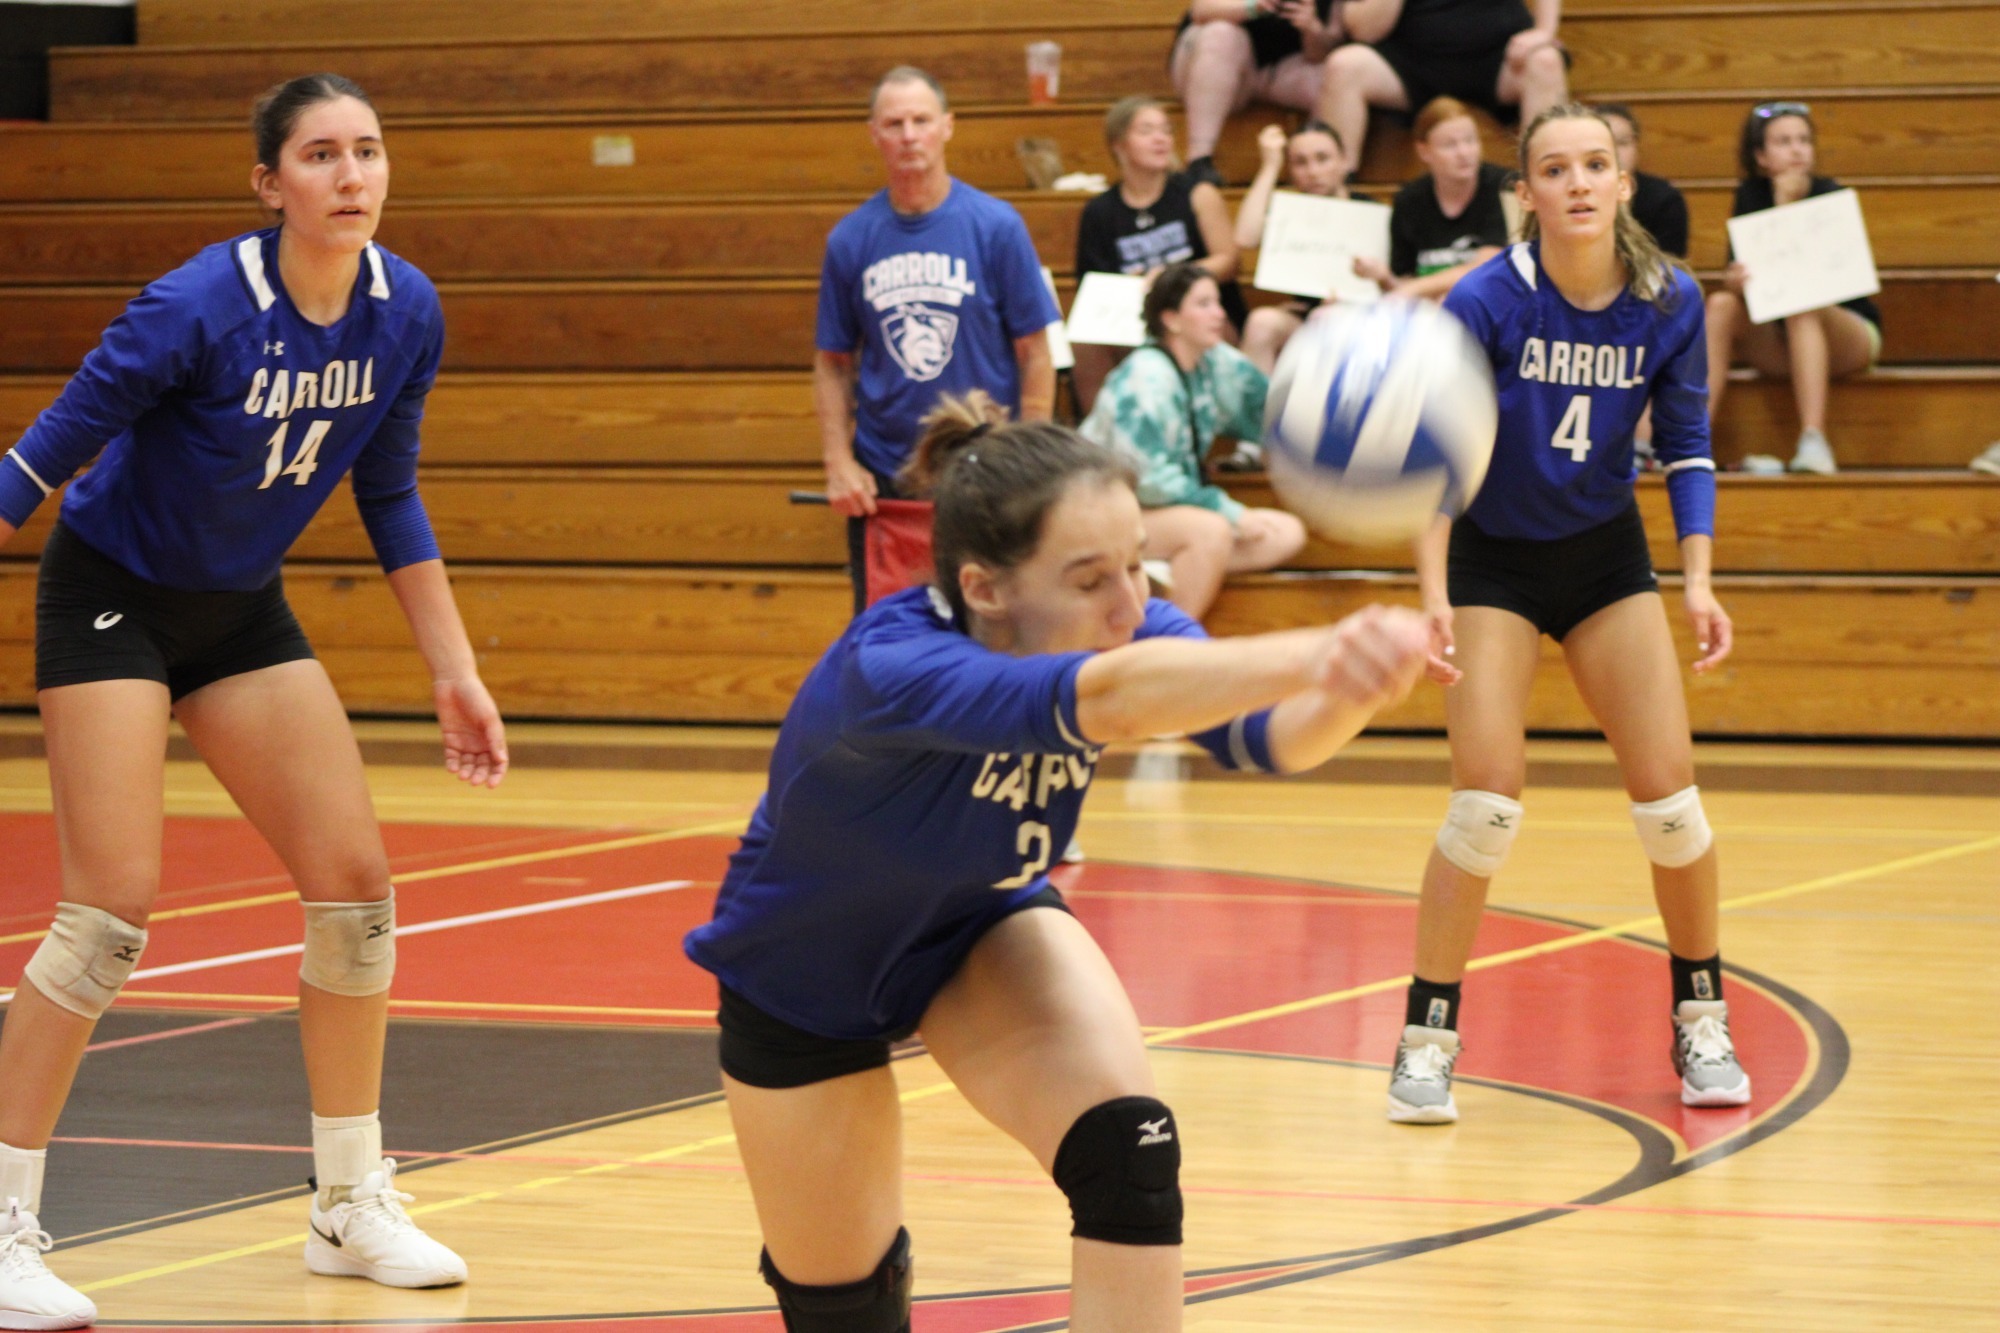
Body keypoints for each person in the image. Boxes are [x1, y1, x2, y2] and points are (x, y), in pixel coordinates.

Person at [683, 390, 1430, 1333]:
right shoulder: (897, 664)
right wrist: (1320, 645)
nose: (1129, 606)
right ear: (986, 588)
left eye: (1137, 565)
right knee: (847, 1309)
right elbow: (1111, 701)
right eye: (1089, 580)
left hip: (977, 929)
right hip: (804, 978)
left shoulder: (1132, 627)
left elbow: (1271, 737)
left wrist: (1354, 683)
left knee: (1129, 1152)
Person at [0, 73, 507, 1325]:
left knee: (356, 892)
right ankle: (1, 1216)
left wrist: (455, 667)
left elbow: (389, 493)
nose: (351, 176)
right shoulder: (196, 306)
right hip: (111, 593)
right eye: (322, 155)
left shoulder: (407, 313)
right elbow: (49, 449)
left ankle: (348, 1202)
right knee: (108, 913)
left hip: (237, 608)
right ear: (269, 183)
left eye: (369, 152)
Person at [1385, 103, 1751, 1127]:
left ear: (1623, 181)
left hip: (1600, 558)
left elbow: (1683, 440)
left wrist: (1695, 578)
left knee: (1670, 800)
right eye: (1555, 168)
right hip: (1491, 561)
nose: (1579, 183)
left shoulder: (1666, 299)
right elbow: (1433, 462)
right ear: (1527, 192)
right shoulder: (1482, 301)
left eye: (1596, 165)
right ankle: (1424, 1040)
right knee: (1484, 803)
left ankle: (1699, 1017)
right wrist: (1429, 596)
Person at [816, 66, 1059, 612]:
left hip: (984, 472)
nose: (909, 135)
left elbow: (1035, 351)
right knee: (889, 641)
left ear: (947, 127)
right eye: (894, 123)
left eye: (921, 120)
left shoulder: (997, 226)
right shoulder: (851, 239)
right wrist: (838, 461)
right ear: (875, 134)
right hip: (888, 478)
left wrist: (1029, 454)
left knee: (995, 628)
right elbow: (831, 363)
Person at [1079, 263, 1306, 620]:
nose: (1219, 314)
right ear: (1171, 319)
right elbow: (1148, 480)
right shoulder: (1145, 377)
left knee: (1284, 533)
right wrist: (1226, 510)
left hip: (1160, 514)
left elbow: (1271, 410)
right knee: (1211, 530)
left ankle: (1167, 578)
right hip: (1102, 511)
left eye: (1218, 303)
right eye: (1203, 304)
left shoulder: (1212, 363)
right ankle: (1169, 646)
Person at [1703, 100, 1882, 475]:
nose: (1797, 148)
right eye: (1783, 141)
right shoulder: (1749, 195)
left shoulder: (1830, 193)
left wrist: (1786, 202)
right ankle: (1693, 439)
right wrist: (1735, 283)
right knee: (1720, 304)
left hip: (1846, 330)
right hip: (1783, 337)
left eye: (1803, 140)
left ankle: (1814, 440)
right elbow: (1761, 286)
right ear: (1761, 156)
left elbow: (1808, 280)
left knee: (1804, 303)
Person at [1072, 96, 1240, 413]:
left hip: (1196, 312)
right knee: (1085, 343)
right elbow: (1091, 285)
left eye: (1166, 130)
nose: (1161, 138)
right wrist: (1126, 286)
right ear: (1119, 144)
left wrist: (1171, 279)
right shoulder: (1099, 212)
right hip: (1133, 319)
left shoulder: (1197, 193)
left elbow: (1229, 262)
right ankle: (1100, 446)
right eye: (1147, 130)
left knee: (1189, 327)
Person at [1315, 0, 1568, 174]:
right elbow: (1363, 29)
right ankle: (1335, 192)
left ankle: (1546, 180)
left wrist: (1545, 30)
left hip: (1498, 56)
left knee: (1546, 62)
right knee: (1344, 67)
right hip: (1411, 58)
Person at [1234, 120, 1371, 374]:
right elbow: (1246, 236)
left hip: (1364, 319)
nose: (1313, 171)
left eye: (1323, 159)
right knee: (1261, 323)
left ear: (1343, 161)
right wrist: (1270, 166)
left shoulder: (1370, 212)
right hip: (1307, 318)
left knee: (1332, 319)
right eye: (1300, 162)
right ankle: (1257, 414)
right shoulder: (1291, 213)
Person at [1355, 96, 1515, 301]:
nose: (1464, 153)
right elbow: (1404, 284)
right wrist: (1384, 278)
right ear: (1424, 151)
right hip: (1429, 311)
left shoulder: (1501, 186)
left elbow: (1487, 265)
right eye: (1450, 145)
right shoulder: (1409, 200)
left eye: (1470, 140)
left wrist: (1416, 289)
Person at [1169, 0, 1343, 187]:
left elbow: (1319, 53)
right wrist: (1254, 7)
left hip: (1276, 70)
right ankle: (1199, 161)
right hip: (1209, 60)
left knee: (1336, 70)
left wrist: (1312, 29)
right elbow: (1201, 12)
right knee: (1222, 35)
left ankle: (1315, 169)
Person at [1594, 103, 1687, 258]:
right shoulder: (1576, 194)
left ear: (1637, 147)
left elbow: (1668, 269)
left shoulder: (1665, 199)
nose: (1614, 151)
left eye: (1623, 142)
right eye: (1604, 142)